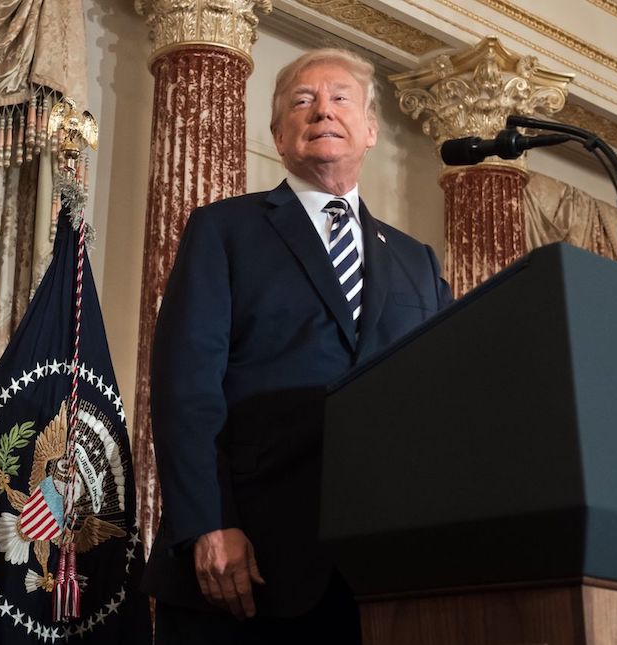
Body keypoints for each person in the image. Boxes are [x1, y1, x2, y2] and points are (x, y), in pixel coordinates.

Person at [141, 49, 454, 643]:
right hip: (249, 566)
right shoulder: (224, 230)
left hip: (381, 575)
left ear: (369, 131)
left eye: (340, 98)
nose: (321, 111)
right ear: (279, 134)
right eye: (302, 102)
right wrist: (209, 523)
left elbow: (438, 399)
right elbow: (186, 389)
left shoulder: (417, 262)